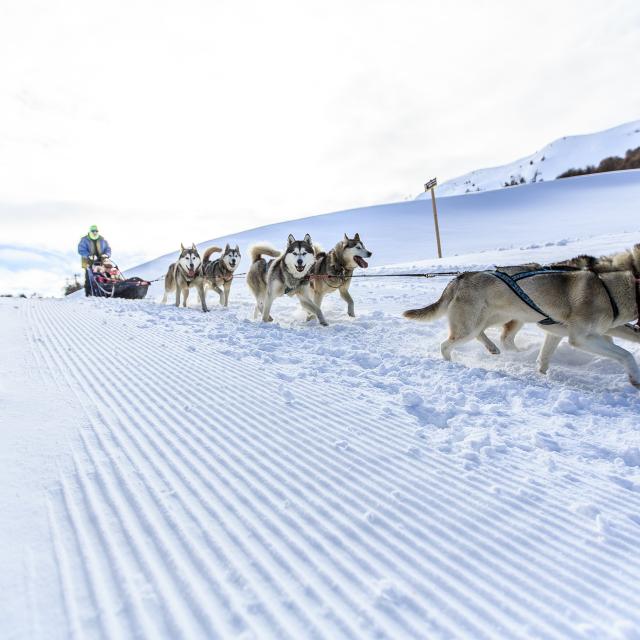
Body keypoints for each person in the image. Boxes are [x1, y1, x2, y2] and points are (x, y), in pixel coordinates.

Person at [78, 225, 112, 295]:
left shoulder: (102, 239)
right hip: (89, 261)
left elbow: (108, 248)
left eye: (96, 231)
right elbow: (81, 250)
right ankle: (89, 294)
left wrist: (106, 254)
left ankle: (111, 287)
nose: (95, 232)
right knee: (89, 278)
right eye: (93, 231)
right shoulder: (84, 240)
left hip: (102, 260)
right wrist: (88, 255)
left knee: (107, 273)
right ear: (90, 231)